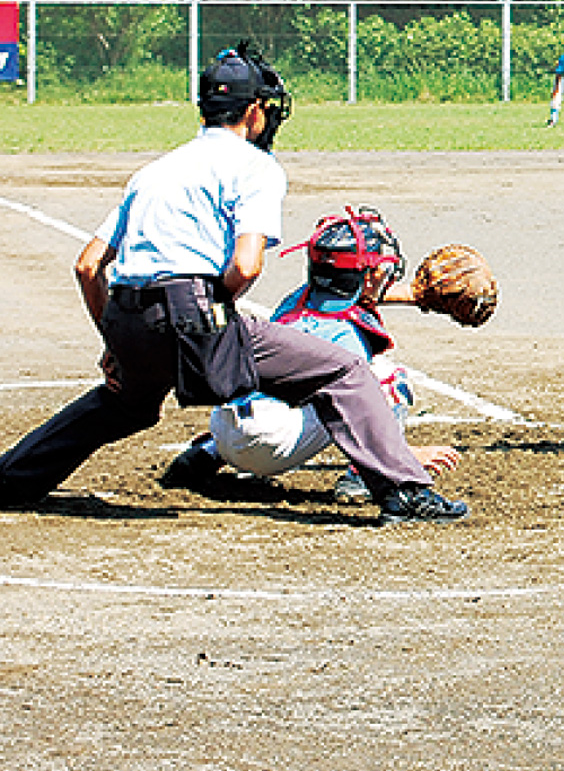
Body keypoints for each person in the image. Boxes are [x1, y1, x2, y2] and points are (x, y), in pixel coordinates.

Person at [0, 43, 467, 525]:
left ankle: (11, 478)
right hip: (193, 310)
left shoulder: (153, 171)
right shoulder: (255, 167)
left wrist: (116, 343)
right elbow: (246, 266)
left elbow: (87, 265)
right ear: (253, 111)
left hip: (125, 314)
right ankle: (404, 492)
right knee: (343, 372)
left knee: (126, 403)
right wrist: (208, 315)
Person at [162, 205, 461, 503]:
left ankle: (207, 454)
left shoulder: (297, 299)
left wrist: (417, 296)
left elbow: (354, 292)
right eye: (380, 270)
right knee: (383, 380)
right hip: (273, 445)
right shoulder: (349, 335)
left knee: (275, 385)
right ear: (366, 277)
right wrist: (407, 454)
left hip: (225, 428)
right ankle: (371, 471)